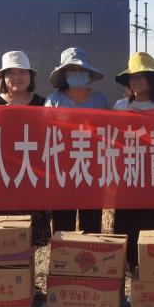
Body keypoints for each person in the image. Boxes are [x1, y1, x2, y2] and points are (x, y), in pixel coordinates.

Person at [111, 52, 154, 271]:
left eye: (142, 76)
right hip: (130, 174)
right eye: (133, 77)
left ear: (152, 79)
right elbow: (112, 138)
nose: (136, 81)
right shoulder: (120, 106)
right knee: (129, 223)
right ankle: (133, 269)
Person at [0, 51, 50, 246]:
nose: (17, 77)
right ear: (2, 77)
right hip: (0, 181)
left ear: (30, 76)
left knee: (31, 244)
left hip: (33, 180)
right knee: (0, 241)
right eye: (11, 72)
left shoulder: (44, 104)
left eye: (22, 72)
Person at [45, 47, 108, 233]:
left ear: (88, 73)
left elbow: (110, 134)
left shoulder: (101, 101)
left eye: (81, 70)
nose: (77, 73)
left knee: (91, 226)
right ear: (64, 74)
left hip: (92, 170)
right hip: (62, 171)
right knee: (63, 226)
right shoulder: (53, 101)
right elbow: (45, 134)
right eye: (72, 70)